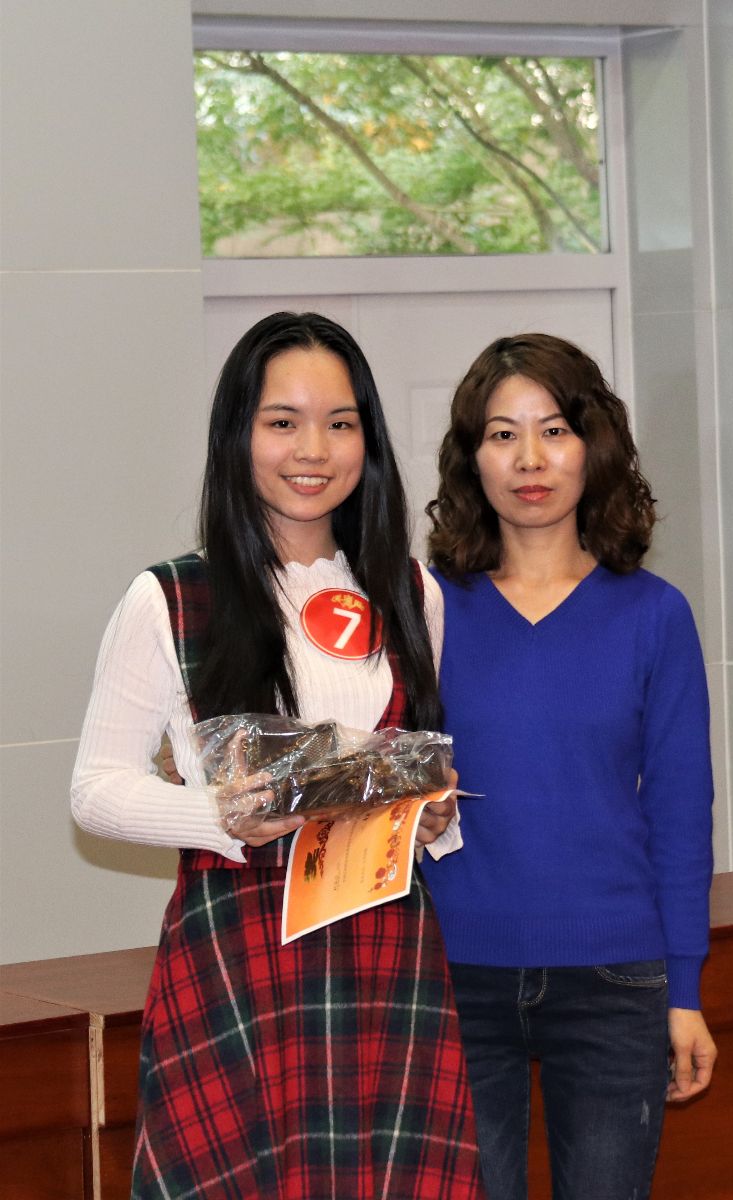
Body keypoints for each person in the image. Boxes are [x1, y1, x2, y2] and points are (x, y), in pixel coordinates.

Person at [71, 312, 485, 1200]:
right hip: (237, 946)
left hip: (385, 948)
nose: (314, 450)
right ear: (239, 434)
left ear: (368, 441)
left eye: (340, 423)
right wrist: (218, 814)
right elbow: (94, 790)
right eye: (283, 422)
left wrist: (433, 816)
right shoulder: (172, 597)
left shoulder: (413, 592)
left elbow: (412, 756)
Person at [421, 332, 717, 1200]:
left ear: (594, 446)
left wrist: (685, 993)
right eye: (502, 434)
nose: (530, 459)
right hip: (453, 975)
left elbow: (680, 814)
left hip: (615, 981)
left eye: (554, 430)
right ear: (471, 459)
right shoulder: (425, 607)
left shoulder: (655, 615)